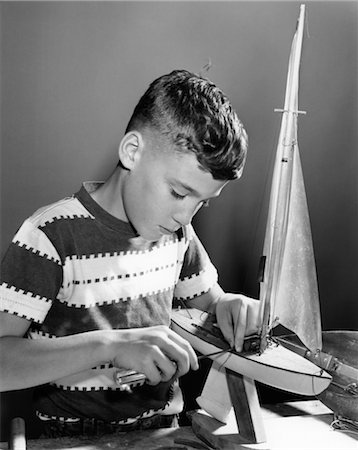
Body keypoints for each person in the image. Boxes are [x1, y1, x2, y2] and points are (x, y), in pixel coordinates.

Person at [0, 69, 260, 437]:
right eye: (178, 192)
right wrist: (110, 345)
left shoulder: (178, 234)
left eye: (203, 203)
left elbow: (210, 305)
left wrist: (229, 307)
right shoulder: (49, 236)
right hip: (72, 438)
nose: (184, 216)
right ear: (132, 152)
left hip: (167, 432)